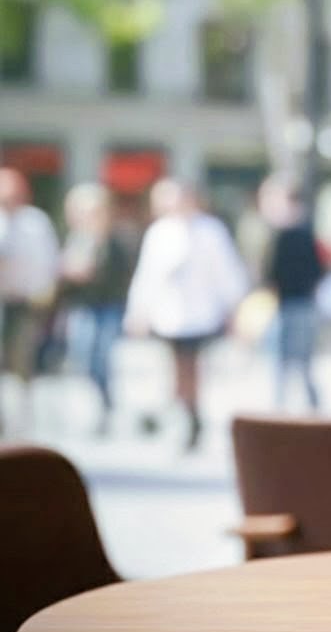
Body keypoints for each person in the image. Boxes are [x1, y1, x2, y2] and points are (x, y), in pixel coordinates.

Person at [125, 179, 248, 449]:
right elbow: (147, 276)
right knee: (173, 367)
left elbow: (226, 273)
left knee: (191, 367)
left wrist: (233, 309)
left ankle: (191, 415)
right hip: (168, 315)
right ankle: (181, 411)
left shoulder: (210, 231)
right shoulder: (160, 232)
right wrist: (139, 310)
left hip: (200, 314)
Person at [61, 183, 135, 435]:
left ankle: (105, 403)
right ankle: (94, 401)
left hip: (109, 305)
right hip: (83, 305)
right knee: (82, 352)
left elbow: (126, 274)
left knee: (103, 353)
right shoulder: (77, 239)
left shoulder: (118, 239)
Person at [0, 168, 61, 433]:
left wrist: (46, 295)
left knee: (22, 358)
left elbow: (48, 261)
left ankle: (22, 414)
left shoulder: (35, 223)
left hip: (25, 302)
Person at [258, 173, 326, 410]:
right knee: (285, 361)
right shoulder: (282, 234)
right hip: (286, 304)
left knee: (297, 361)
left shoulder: (297, 234)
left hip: (297, 304)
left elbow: (315, 271)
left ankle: (306, 405)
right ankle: (283, 406)